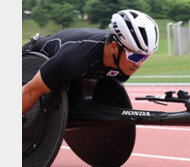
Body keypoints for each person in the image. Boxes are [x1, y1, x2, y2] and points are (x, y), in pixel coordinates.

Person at [22, 9, 159, 115]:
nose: (139, 64)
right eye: (134, 57)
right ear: (113, 47)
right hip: (32, 59)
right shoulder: (75, 59)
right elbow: (28, 92)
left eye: (144, 58)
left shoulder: (123, 65)